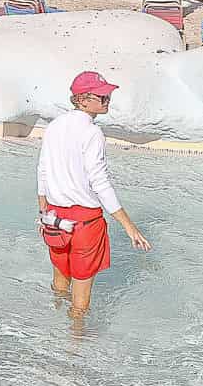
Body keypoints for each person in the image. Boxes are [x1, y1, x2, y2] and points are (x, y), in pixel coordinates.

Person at [37, 71, 151, 320]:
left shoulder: (54, 126)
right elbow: (99, 182)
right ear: (82, 99)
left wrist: (42, 212)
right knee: (81, 293)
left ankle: (51, 326)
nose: (107, 99)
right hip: (85, 222)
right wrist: (129, 227)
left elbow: (42, 170)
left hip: (54, 217)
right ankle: (75, 347)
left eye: (108, 95)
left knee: (59, 280)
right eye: (102, 96)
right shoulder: (92, 133)